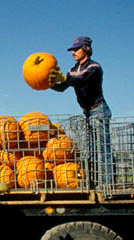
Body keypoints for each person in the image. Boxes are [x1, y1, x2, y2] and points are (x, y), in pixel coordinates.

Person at [48, 36, 113, 185]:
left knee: (103, 149)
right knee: (91, 150)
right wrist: (48, 83)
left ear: (87, 49)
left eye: (76, 49)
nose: (73, 52)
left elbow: (82, 79)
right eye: (72, 50)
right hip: (88, 113)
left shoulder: (94, 67)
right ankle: (95, 182)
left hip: (99, 110)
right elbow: (63, 86)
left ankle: (107, 184)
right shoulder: (73, 70)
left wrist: (64, 78)